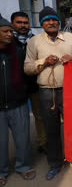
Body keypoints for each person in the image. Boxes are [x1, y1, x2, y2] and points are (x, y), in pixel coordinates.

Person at [24, 6, 72, 180]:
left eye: (54, 19)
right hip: (46, 93)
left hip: (70, 90)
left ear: (58, 21)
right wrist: (44, 61)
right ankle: (55, 163)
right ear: (42, 23)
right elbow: (28, 68)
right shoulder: (34, 42)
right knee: (51, 130)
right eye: (47, 20)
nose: (51, 22)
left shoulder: (70, 38)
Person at [0, 14, 36, 187]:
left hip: (18, 102)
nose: (9, 34)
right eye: (5, 31)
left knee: (22, 139)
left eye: (10, 31)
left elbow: (27, 73)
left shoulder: (19, 51)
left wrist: (24, 93)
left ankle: (23, 166)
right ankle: (2, 171)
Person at [11, 11, 47, 154]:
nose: (23, 26)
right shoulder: (8, 42)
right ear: (12, 23)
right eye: (19, 23)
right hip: (15, 87)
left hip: (34, 84)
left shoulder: (36, 41)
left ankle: (43, 142)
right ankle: (23, 148)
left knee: (39, 116)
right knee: (19, 120)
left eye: (25, 23)